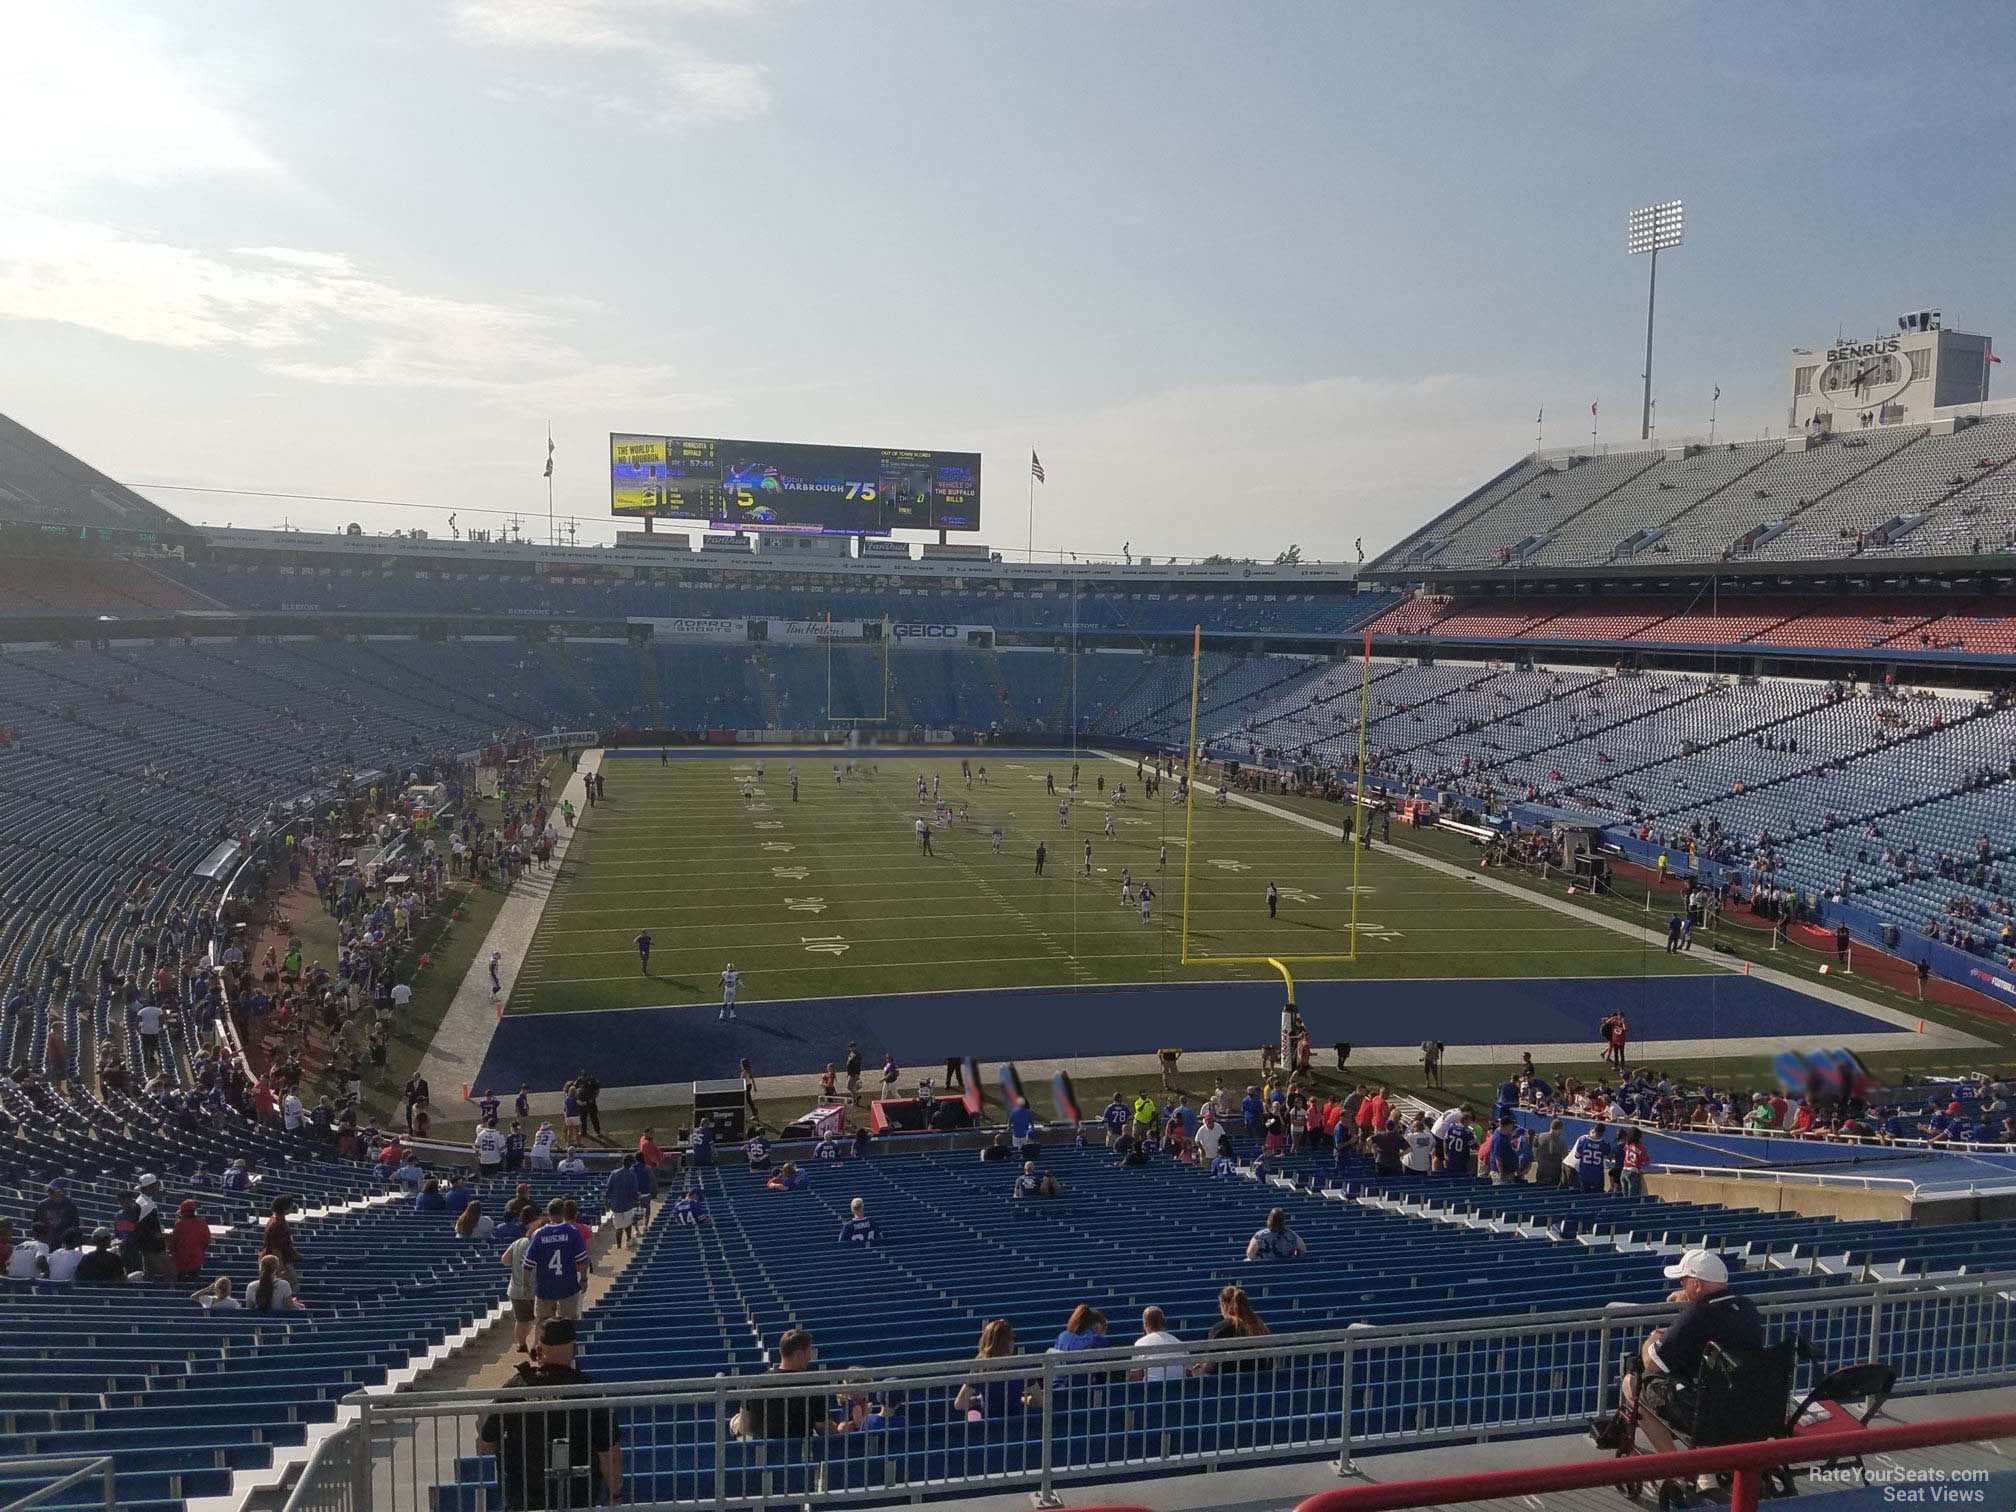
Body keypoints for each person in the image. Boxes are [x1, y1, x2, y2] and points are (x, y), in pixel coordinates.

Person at [1616, 1249, 1765, 1459]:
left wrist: (1654, 1336)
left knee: (1632, 1383)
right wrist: (1689, 1303)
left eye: (1683, 1281)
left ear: (1696, 1285)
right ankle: (1706, 1471)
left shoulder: (1696, 1315)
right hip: (1746, 1406)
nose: (1680, 1286)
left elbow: (1652, 1363)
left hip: (1706, 1413)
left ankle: (1675, 1465)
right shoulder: (1747, 1308)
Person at [478, 1319, 623, 1508]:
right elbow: (609, 1455)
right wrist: (616, 1494)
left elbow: (486, 1440)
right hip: (578, 1497)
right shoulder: (588, 1392)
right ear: (575, 1350)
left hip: (525, 1498)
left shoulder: (516, 1388)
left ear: (538, 1351)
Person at [733, 1327, 843, 1440]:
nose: (810, 1358)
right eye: (809, 1352)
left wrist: (734, 1424)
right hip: (801, 1454)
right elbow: (824, 1428)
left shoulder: (755, 1385)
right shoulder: (812, 1386)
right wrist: (840, 1428)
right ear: (800, 1354)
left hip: (766, 1455)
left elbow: (744, 1429)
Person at [953, 1319, 1039, 1420]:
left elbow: (959, 1404)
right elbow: (1039, 1401)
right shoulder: (1022, 1367)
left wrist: (977, 1400)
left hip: (988, 1430)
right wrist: (1022, 1400)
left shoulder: (980, 1369)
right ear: (1009, 1343)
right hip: (1018, 1428)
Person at [524, 1198, 590, 1320]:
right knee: (568, 1324)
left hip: (545, 1286)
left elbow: (527, 1264)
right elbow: (582, 1260)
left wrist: (526, 1284)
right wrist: (584, 1279)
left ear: (548, 1214)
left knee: (543, 1324)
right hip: (568, 1285)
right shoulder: (572, 1232)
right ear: (563, 1212)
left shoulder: (539, 1234)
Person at [1196, 1285, 1268, 1374]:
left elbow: (1209, 1365)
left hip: (1224, 1384)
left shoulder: (1221, 1329)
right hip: (1258, 1382)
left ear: (1224, 1305)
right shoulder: (1259, 1326)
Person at [1133, 1307, 1187, 1383]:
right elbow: (1189, 1372)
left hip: (1152, 1390)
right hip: (1180, 1389)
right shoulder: (1178, 1342)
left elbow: (1136, 1376)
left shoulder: (1140, 1343)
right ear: (1164, 1322)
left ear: (1145, 1324)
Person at [170, 1199, 212, 1282]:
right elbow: (207, 1241)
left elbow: (173, 1243)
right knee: (193, 1284)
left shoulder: (179, 1224)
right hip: (196, 1260)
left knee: (180, 1284)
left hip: (180, 1261)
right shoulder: (202, 1224)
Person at [1534, 1117, 1570, 1187]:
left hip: (1541, 1172)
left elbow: (1535, 1153)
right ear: (1559, 1129)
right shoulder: (1561, 1142)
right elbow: (1565, 1159)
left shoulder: (1539, 1136)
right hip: (1554, 1175)